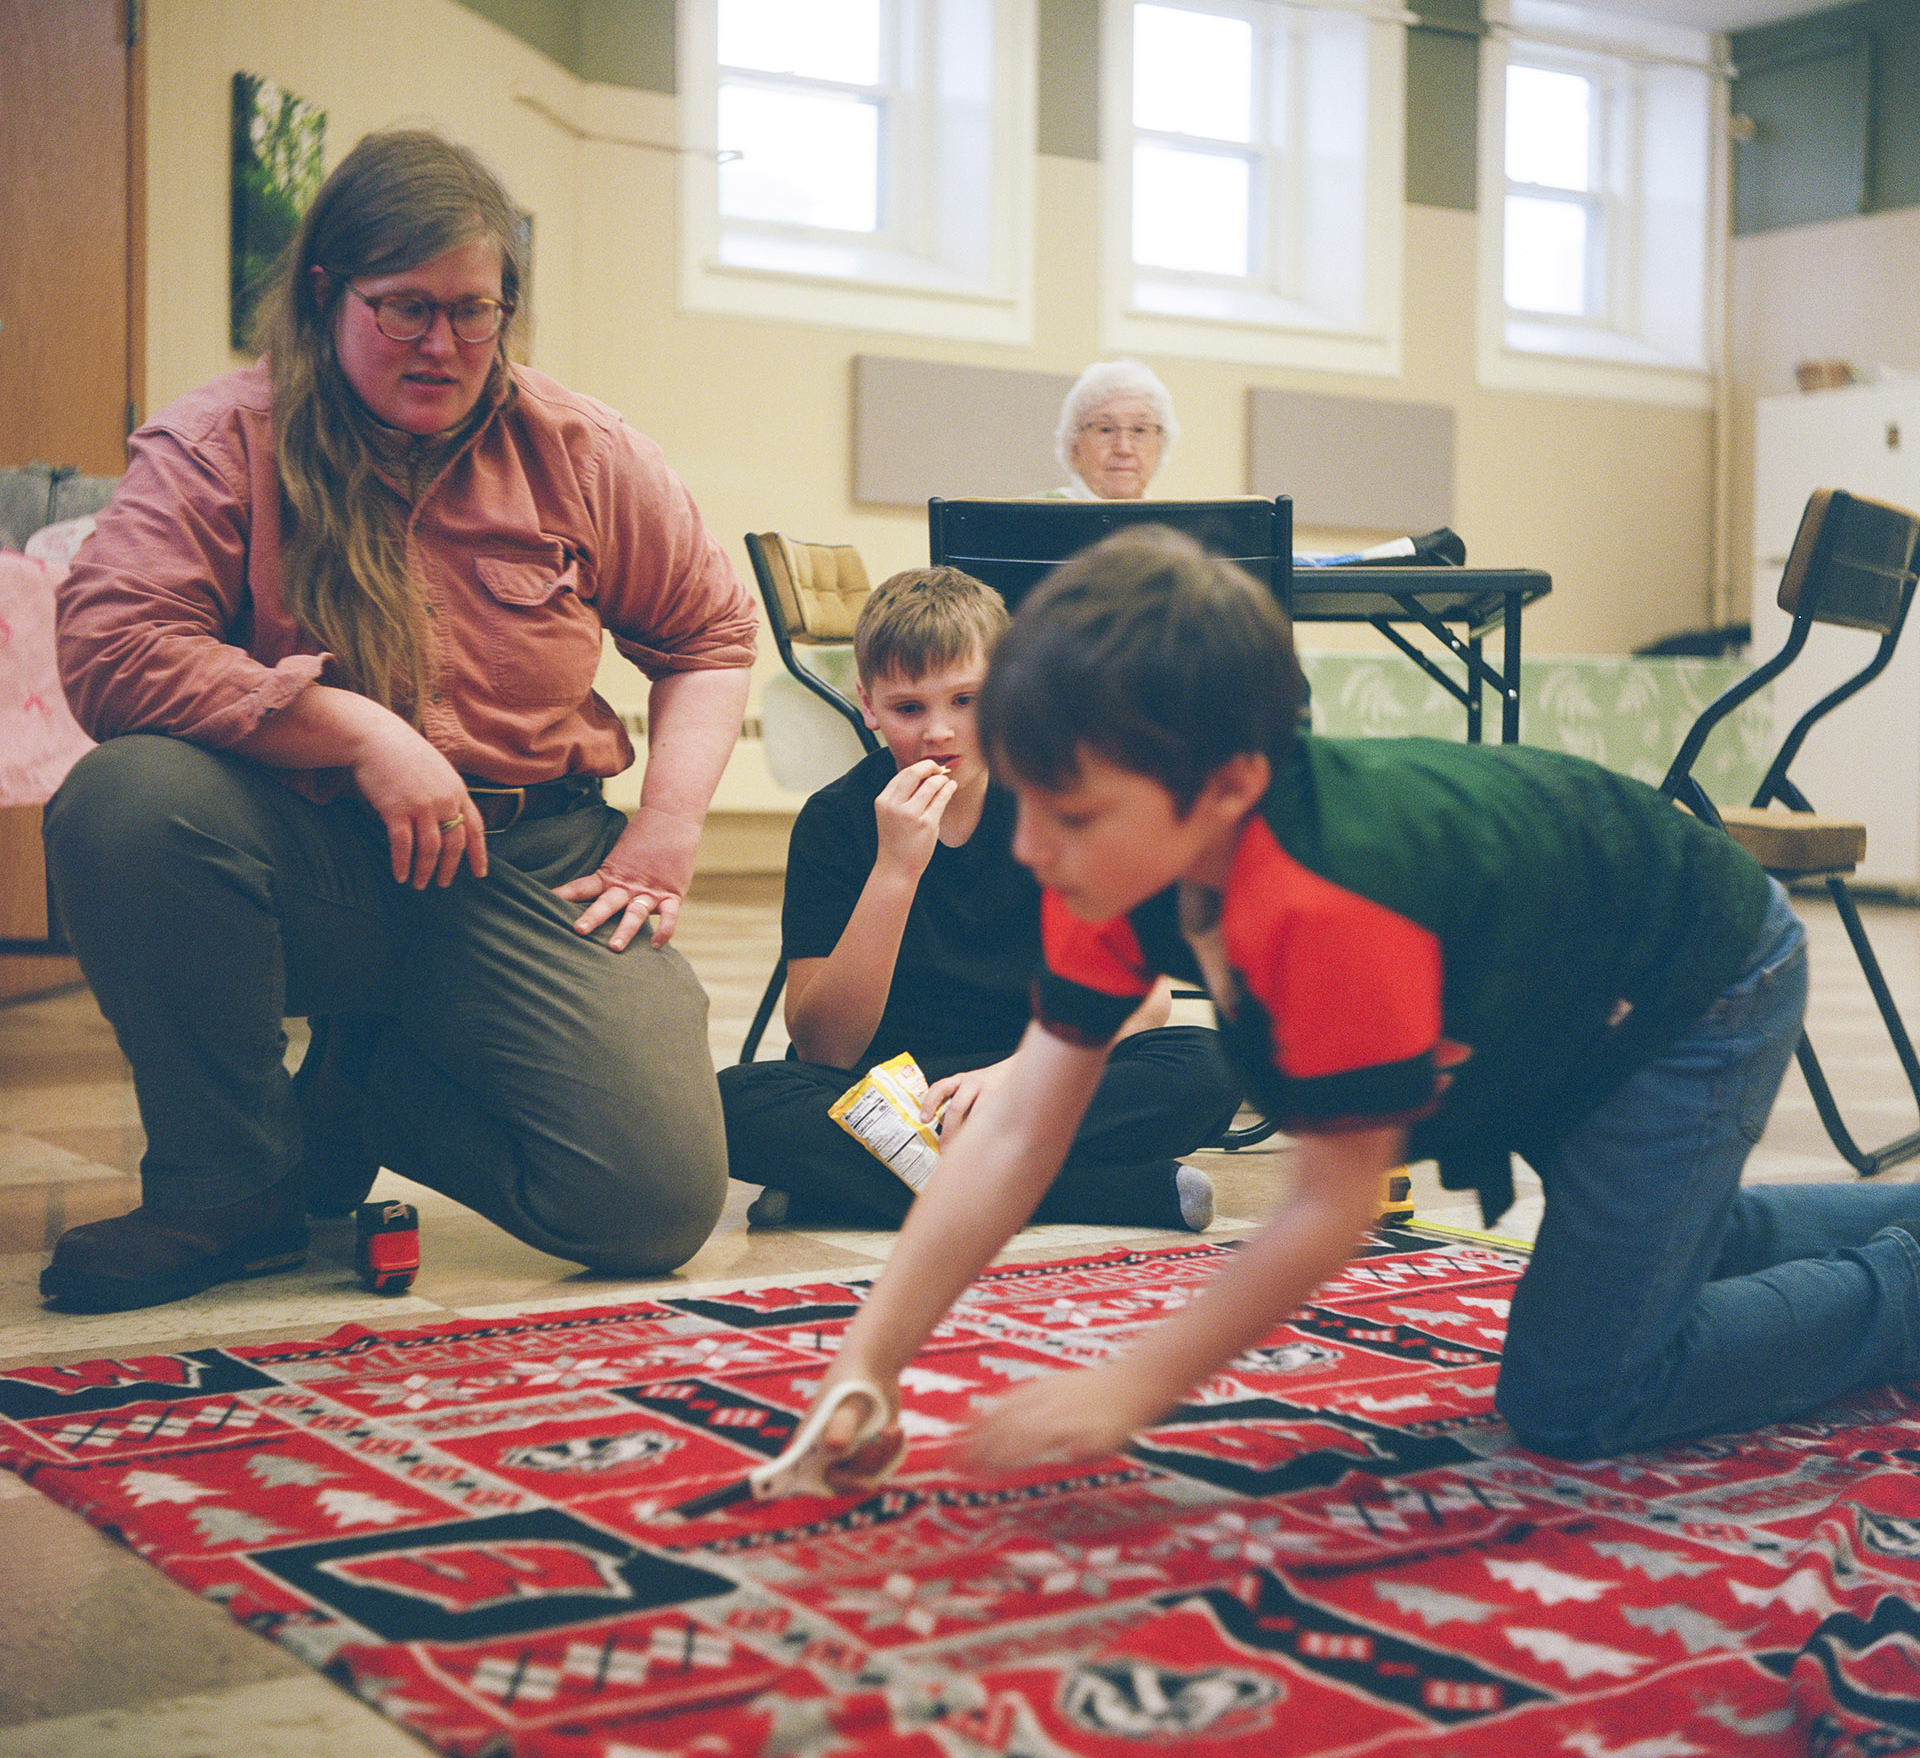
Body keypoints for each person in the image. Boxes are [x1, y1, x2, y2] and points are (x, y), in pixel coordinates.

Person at [802, 527, 1920, 1485]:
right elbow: (1013, 1129)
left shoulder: (1329, 901)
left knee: (1580, 1396)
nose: (1033, 848)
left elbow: (1330, 1204)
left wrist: (1132, 1387)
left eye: (1072, 817)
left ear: (1228, 790)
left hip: (1692, 983)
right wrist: (871, 1357)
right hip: (1548, 983)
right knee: (1654, 1249)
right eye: (1028, 800)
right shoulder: (1103, 842)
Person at [41, 128, 757, 1313]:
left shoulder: (583, 450)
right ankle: (230, 1184)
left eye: (476, 313)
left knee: (651, 1205)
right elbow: (112, 649)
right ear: (329, 292)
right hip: (310, 850)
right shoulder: (222, 439)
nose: (445, 345)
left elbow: (709, 638)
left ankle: (366, 1086)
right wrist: (363, 732)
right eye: (407, 308)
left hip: (533, 858)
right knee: (127, 801)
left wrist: (666, 832)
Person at [719, 565, 1239, 1232]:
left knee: (1208, 1064)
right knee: (736, 1103)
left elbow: (1146, 1002)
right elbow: (825, 1047)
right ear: (869, 706)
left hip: (1031, 1073)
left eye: (967, 700)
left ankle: (847, 1194)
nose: (940, 732)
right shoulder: (835, 819)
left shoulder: (1060, 799)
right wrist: (895, 871)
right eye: (910, 709)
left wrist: (1014, 1077)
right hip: (887, 1092)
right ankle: (1106, 1194)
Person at [1034, 360, 1178, 502]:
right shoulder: (1032, 514)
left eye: (1139, 430)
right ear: (1074, 448)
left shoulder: (1175, 522)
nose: (1124, 448)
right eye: (1106, 429)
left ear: (1160, 447)